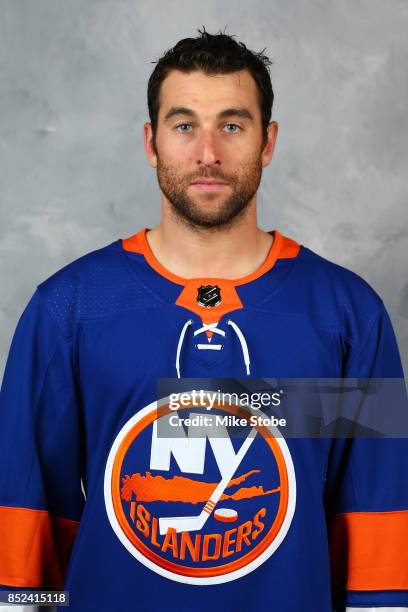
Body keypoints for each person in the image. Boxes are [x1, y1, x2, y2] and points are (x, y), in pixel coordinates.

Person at [0, 26, 407, 612]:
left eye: (232, 125)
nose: (208, 152)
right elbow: (26, 520)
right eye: (185, 125)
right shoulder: (67, 309)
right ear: (151, 141)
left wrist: (267, 407)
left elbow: (377, 526)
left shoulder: (348, 314)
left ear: (267, 142)